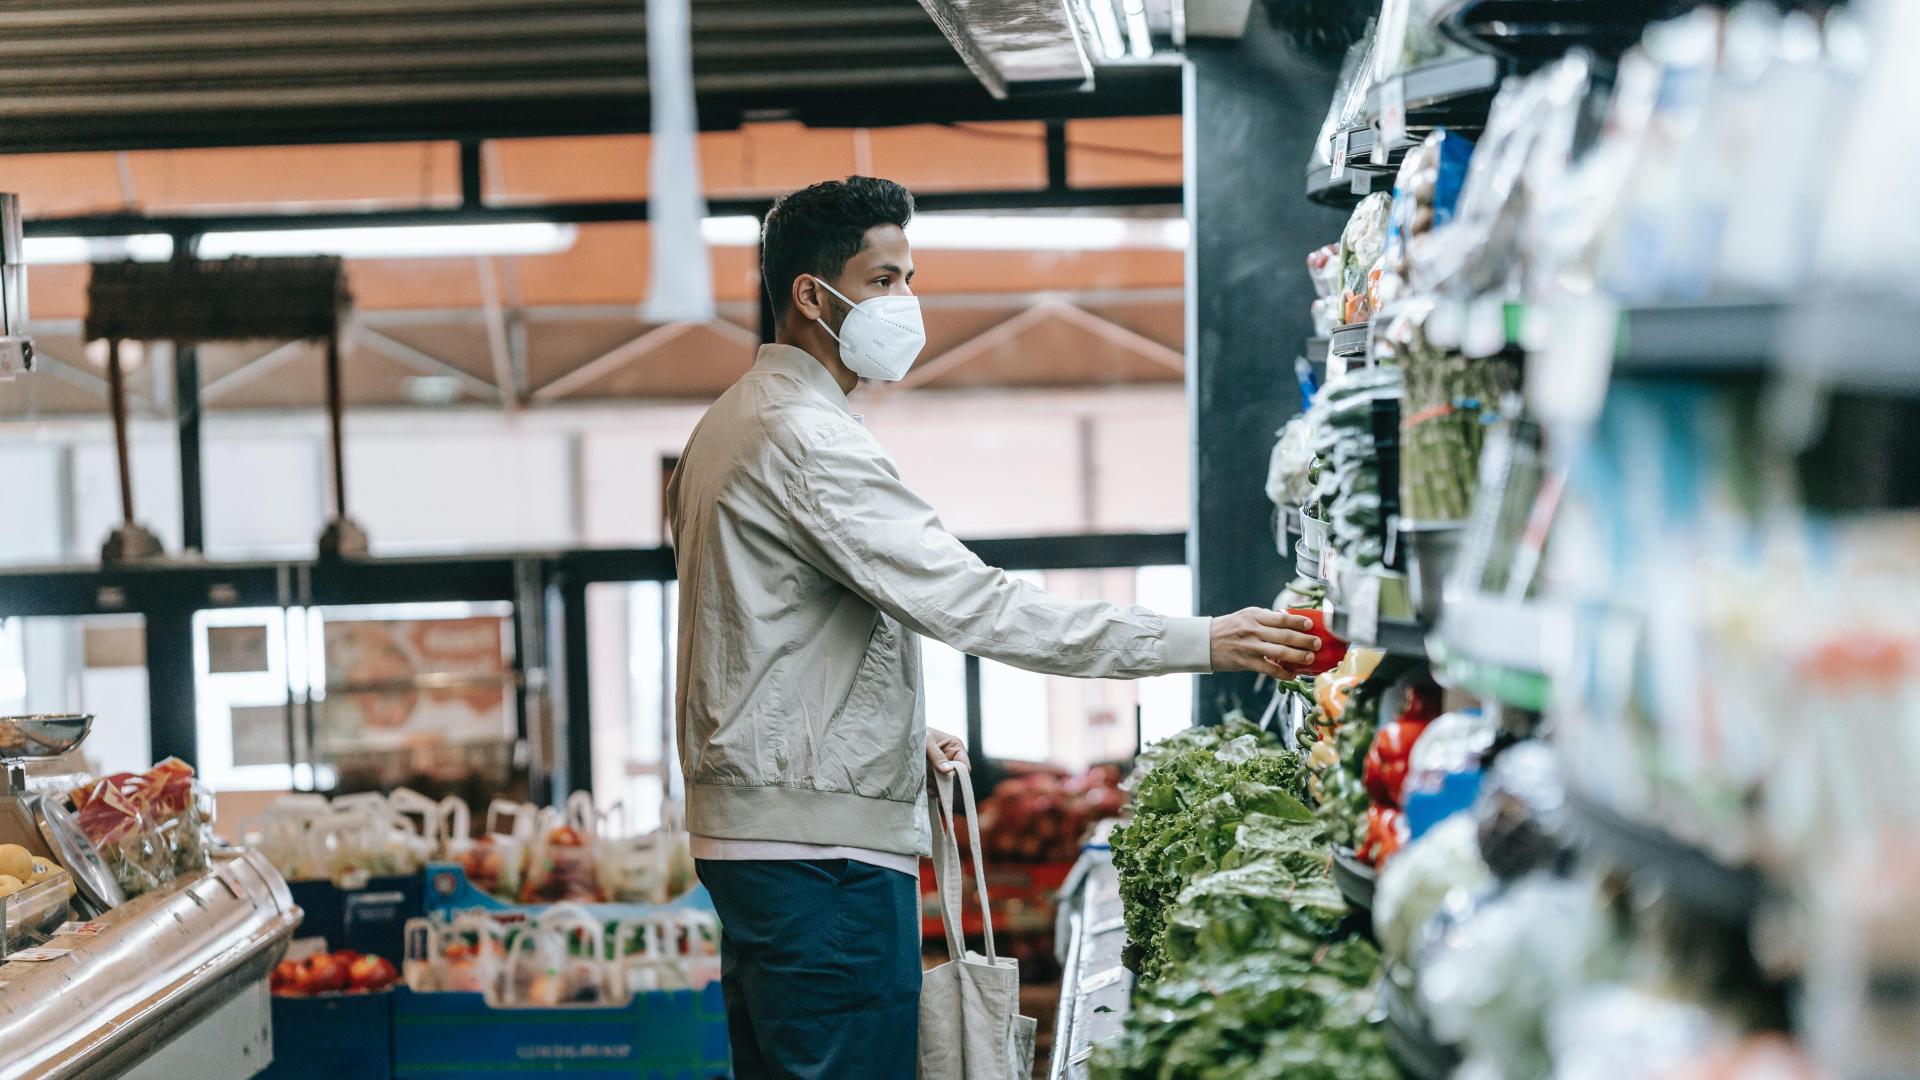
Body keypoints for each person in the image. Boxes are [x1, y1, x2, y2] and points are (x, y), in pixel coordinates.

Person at [665, 176, 1322, 1080]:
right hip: (823, 862)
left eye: (907, 277)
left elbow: (761, 637)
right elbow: (977, 604)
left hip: (765, 839)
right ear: (814, 297)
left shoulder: (728, 424)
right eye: (885, 279)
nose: (906, 303)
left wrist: (891, 731)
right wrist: (1202, 641)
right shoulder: (805, 437)